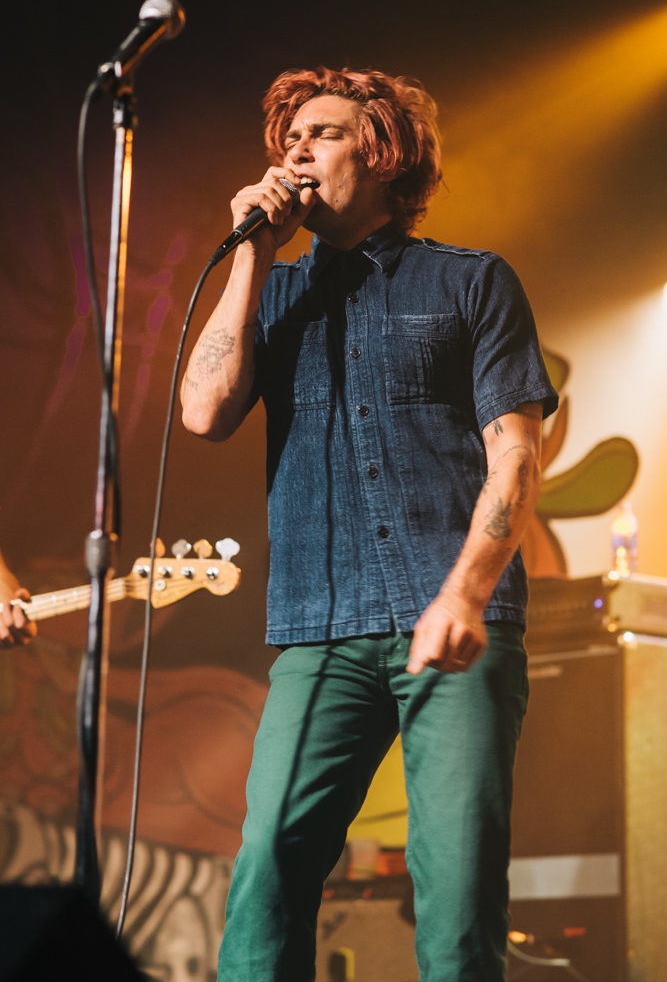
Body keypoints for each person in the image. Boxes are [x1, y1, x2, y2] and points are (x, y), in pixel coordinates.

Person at [181, 66, 558, 982]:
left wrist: (465, 594)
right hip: (320, 630)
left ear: (384, 154)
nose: (295, 150)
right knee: (268, 866)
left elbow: (514, 455)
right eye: (287, 139)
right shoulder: (271, 292)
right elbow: (200, 412)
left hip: (453, 619)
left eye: (322, 132)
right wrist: (250, 257)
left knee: (455, 898)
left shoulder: (471, 283)